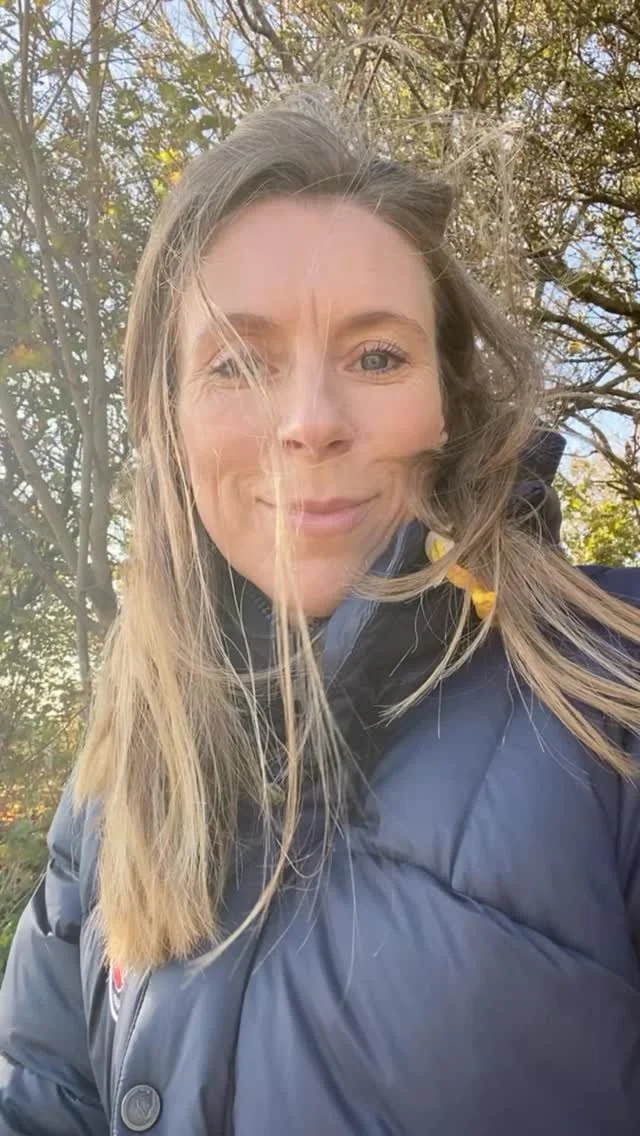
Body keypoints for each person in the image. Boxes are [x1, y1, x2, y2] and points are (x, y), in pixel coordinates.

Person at [1, 87, 639, 1136]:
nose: (308, 422)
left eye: (377, 355)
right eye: (238, 362)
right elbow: (40, 1089)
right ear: (169, 416)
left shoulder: (611, 692)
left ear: (448, 401)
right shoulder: (119, 763)